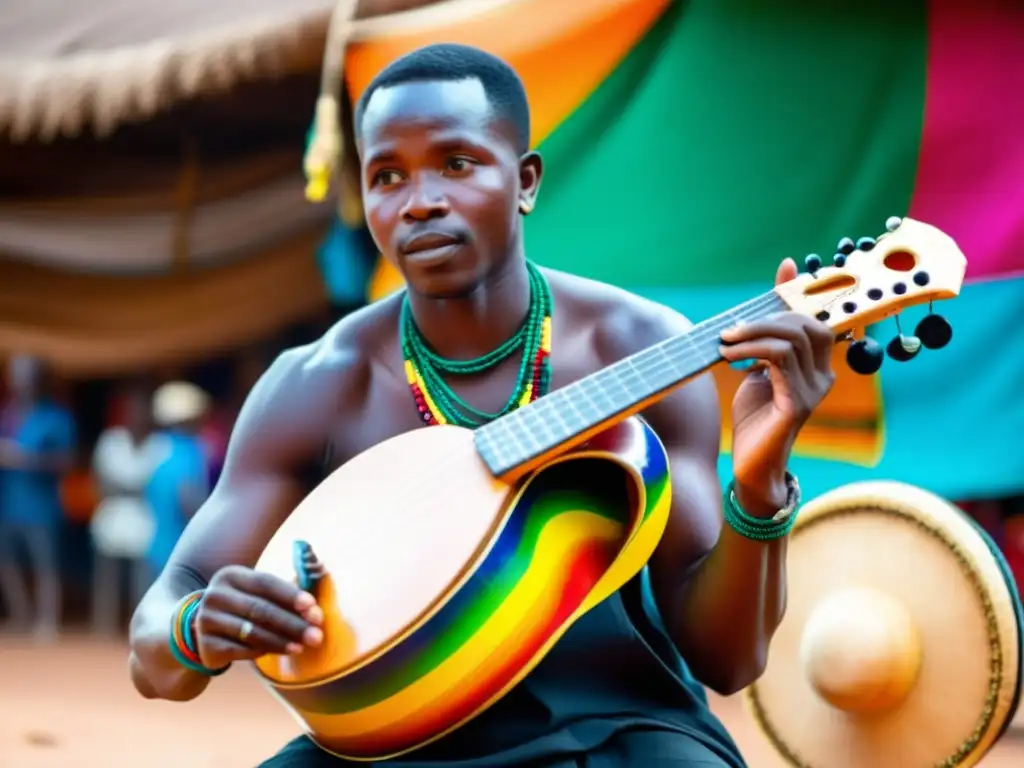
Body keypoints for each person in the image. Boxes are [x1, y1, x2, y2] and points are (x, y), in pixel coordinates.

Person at [128, 44, 837, 766]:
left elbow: (728, 663)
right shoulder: (318, 383)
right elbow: (155, 644)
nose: (420, 199)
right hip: (388, 742)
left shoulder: (640, 349)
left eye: (456, 164)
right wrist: (193, 628)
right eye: (386, 176)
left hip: (615, 728)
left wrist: (757, 485)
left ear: (525, 181)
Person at [0, 354, 76, 641]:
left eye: (26, 375)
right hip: (9, 502)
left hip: (42, 504)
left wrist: (25, 459)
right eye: (16, 375)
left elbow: (67, 460)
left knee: (46, 564)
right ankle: (22, 615)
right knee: (6, 563)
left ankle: (48, 621)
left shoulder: (56, 416)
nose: (20, 382)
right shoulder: (6, 414)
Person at [90, 381, 168, 635]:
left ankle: (138, 627)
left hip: (144, 519)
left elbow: (157, 486)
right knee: (107, 577)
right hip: (112, 515)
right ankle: (103, 625)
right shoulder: (111, 440)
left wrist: (125, 486)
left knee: (142, 579)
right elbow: (101, 482)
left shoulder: (160, 444)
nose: (137, 415)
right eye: (133, 410)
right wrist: (134, 486)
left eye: (143, 410)